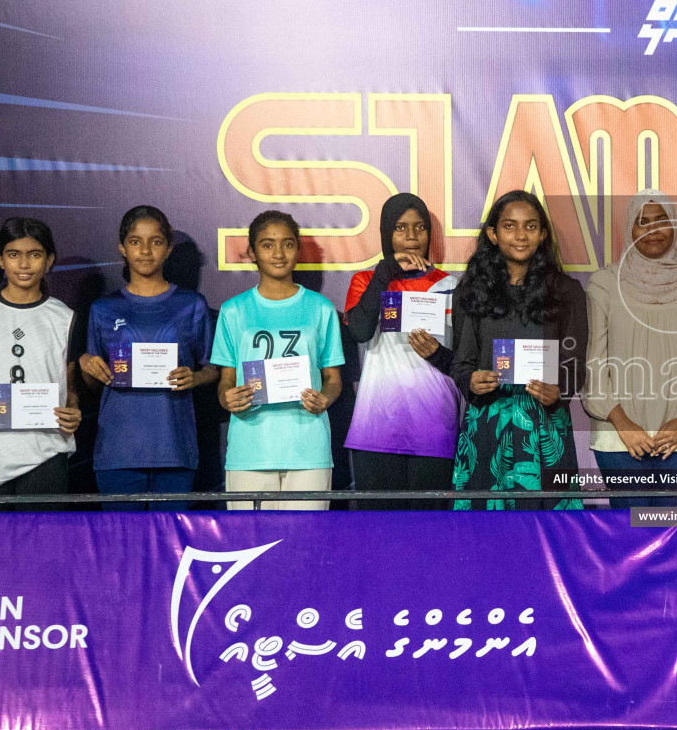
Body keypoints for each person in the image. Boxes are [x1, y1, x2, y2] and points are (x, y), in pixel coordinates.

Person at [449, 190, 588, 510]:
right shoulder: (470, 291)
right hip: (487, 424)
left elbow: (575, 364)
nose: (520, 235)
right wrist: (470, 380)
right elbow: (462, 361)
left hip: (546, 427)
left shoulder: (567, 292)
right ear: (493, 235)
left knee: (548, 537)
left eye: (530, 226)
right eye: (510, 226)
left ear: (542, 235)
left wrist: (560, 390)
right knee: (485, 538)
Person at [77, 206, 216, 511]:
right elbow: (94, 382)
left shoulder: (191, 304)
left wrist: (196, 376)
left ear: (167, 249)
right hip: (118, 451)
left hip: (174, 449)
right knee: (123, 549)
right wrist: (87, 364)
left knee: (170, 549)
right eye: (135, 241)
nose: (145, 250)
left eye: (155, 242)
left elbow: (213, 368)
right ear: (122, 248)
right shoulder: (103, 308)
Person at [583, 191, 677, 507]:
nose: (653, 230)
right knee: (630, 539)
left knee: (675, 536)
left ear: (675, 226)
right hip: (619, 437)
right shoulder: (603, 284)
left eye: (662, 221)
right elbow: (595, 364)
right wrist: (623, 424)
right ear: (629, 228)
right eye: (642, 222)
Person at [211, 211, 344, 510]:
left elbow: (333, 379)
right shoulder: (233, 311)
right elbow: (226, 381)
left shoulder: (320, 308)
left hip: (308, 448)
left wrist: (324, 399)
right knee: (251, 548)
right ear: (252, 252)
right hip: (251, 449)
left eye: (287, 244)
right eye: (268, 245)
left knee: (305, 549)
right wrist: (226, 398)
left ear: (298, 250)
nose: (278, 253)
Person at [0, 217, 83, 509]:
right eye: (14, 255)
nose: (24, 264)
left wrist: (72, 410)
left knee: (41, 550)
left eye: (34, 255)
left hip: (44, 455)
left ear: (49, 261)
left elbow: (68, 385)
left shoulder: (65, 317)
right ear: (0, 259)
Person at [343, 193, 461, 509]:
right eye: (400, 228)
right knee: (378, 537)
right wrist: (386, 272)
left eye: (420, 227)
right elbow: (359, 331)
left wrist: (438, 354)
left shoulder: (450, 285)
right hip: (376, 428)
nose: (411, 237)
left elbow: (466, 360)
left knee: (430, 536)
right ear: (386, 234)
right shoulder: (367, 280)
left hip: (434, 425)